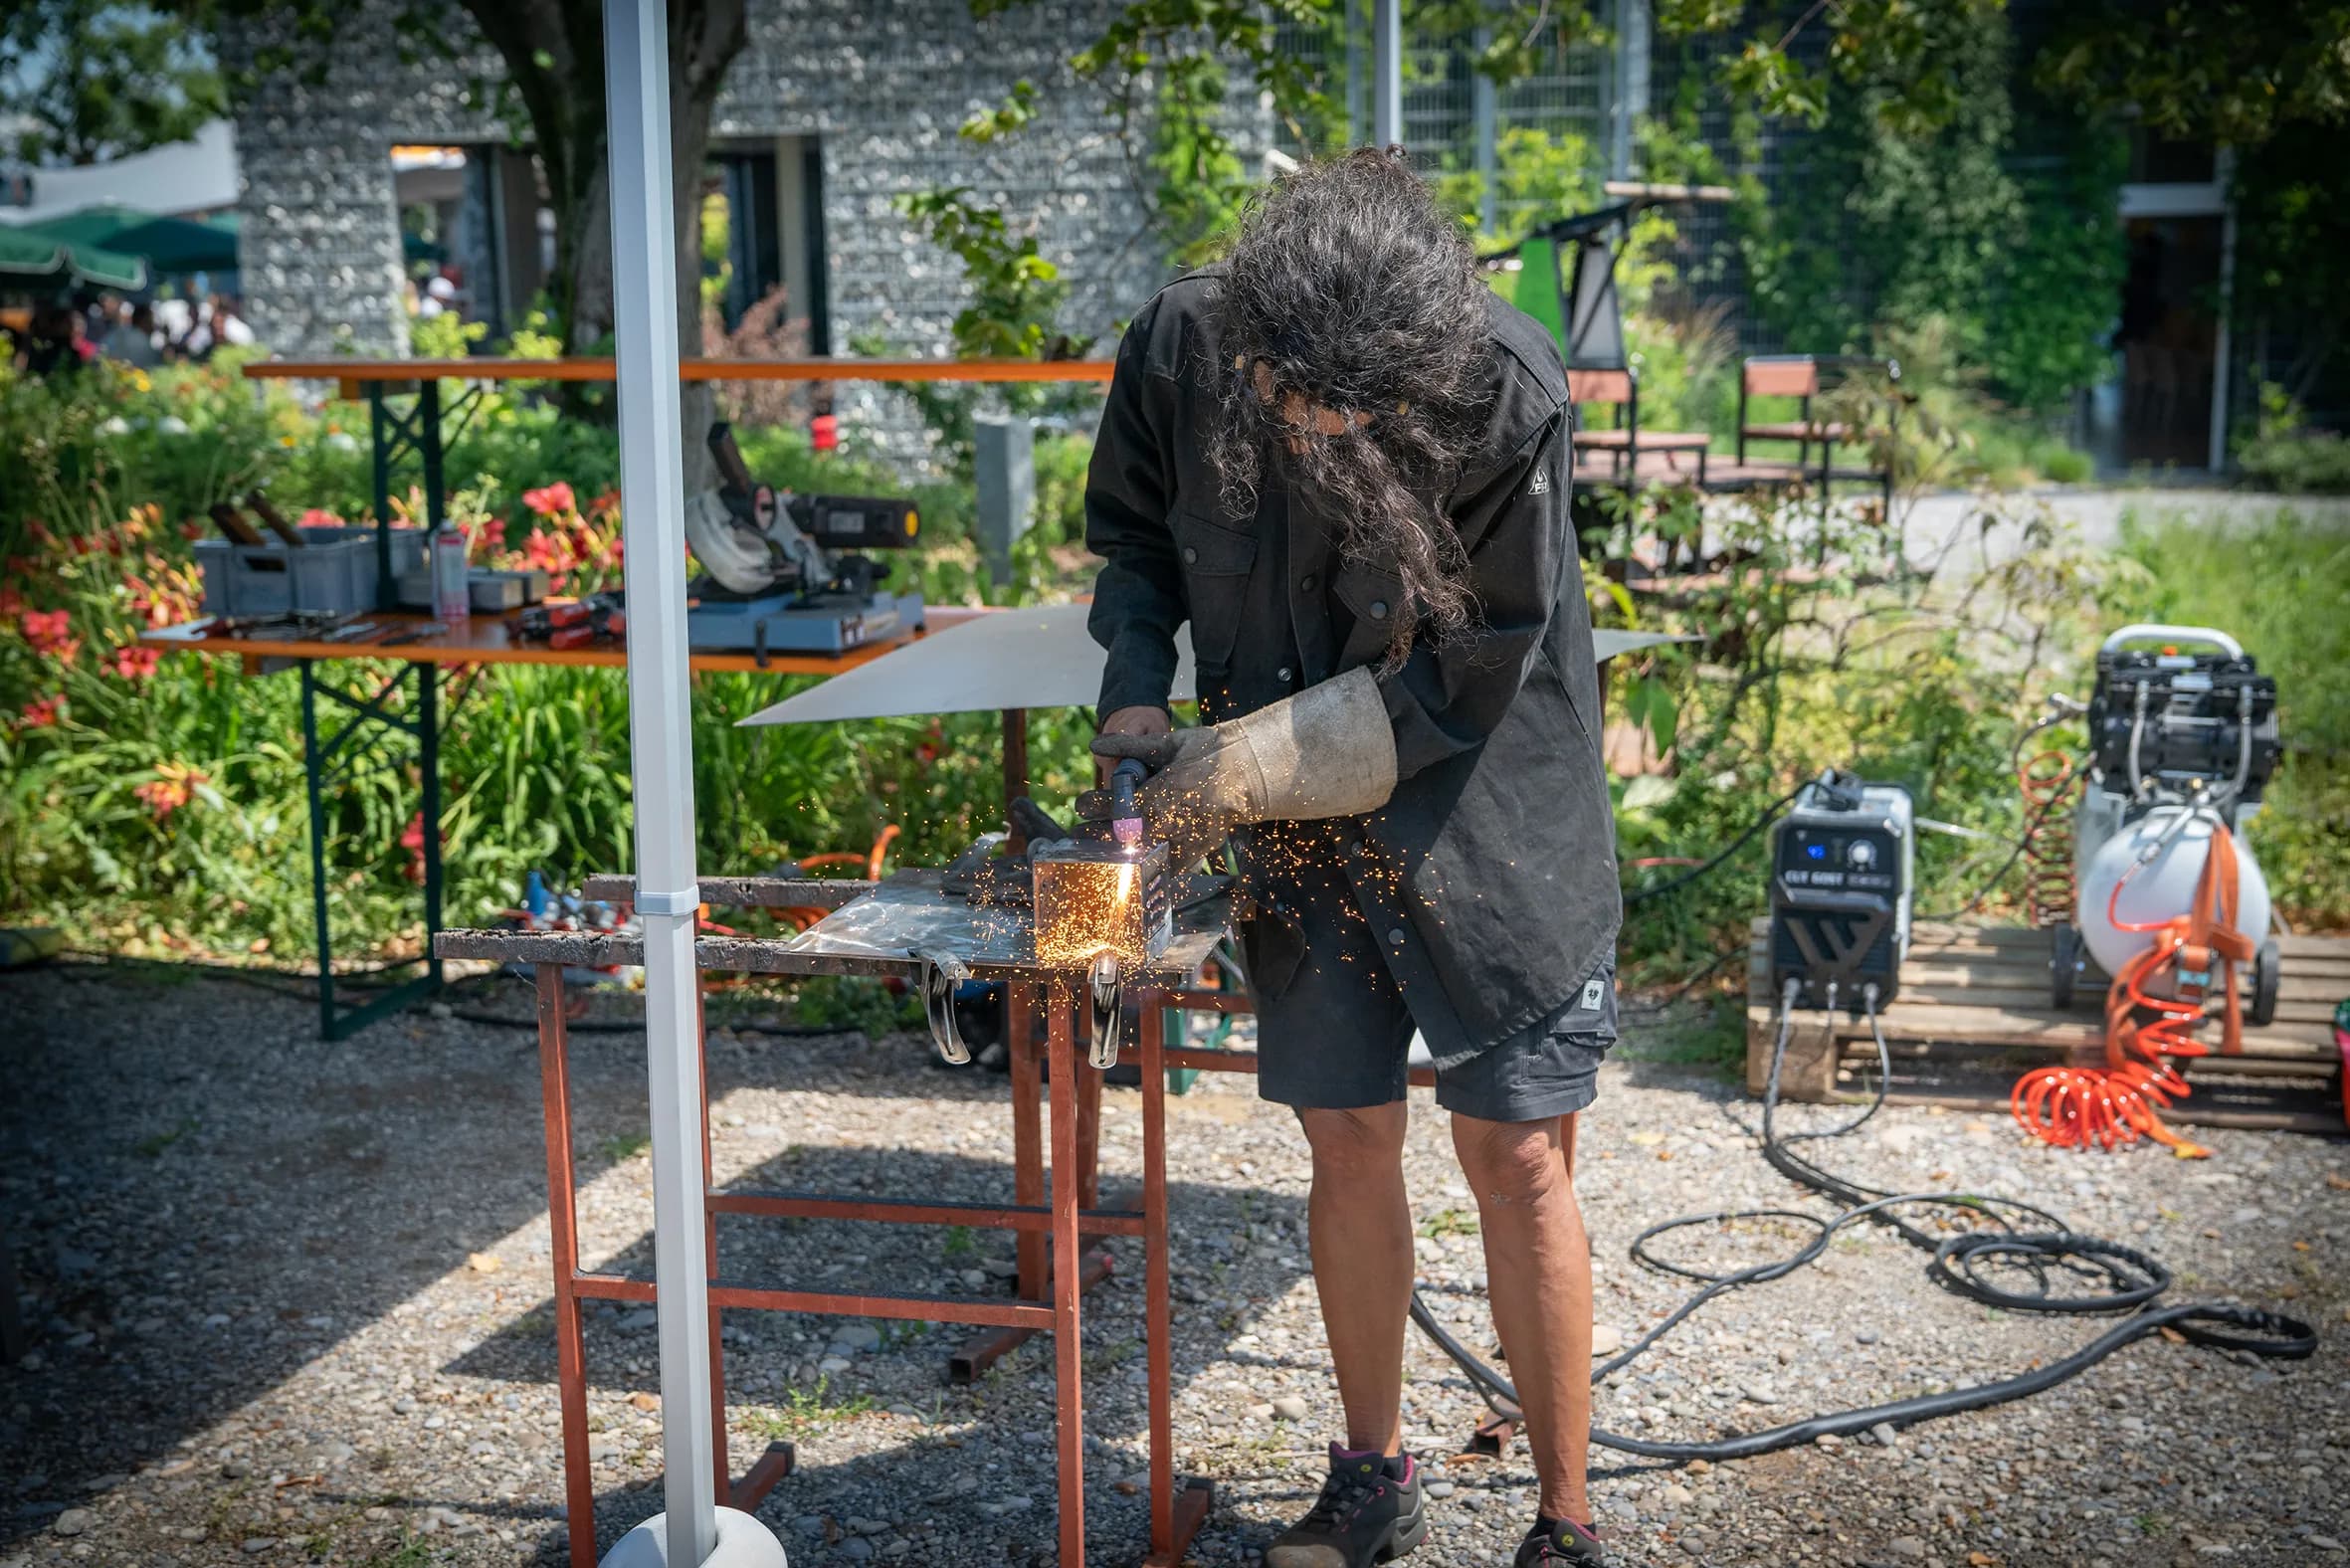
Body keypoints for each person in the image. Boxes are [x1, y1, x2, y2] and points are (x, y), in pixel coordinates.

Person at [1084, 148, 1620, 1568]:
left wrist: (1250, 764)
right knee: (1345, 1135)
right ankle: (1369, 1480)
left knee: (1512, 1153)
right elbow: (1132, 540)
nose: (1311, 424)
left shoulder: (1501, 385)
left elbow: (1475, 661)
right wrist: (1137, 685)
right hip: (1300, 822)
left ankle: (1563, 1521)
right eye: (1289, 398)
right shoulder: (1185, 341)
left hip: (1488, 802)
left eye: (1345, 410)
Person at [102, 301, 162, 368]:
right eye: (151, 320)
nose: (154, 326)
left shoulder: (115, 335)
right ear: (143, 320)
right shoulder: (142, 342)